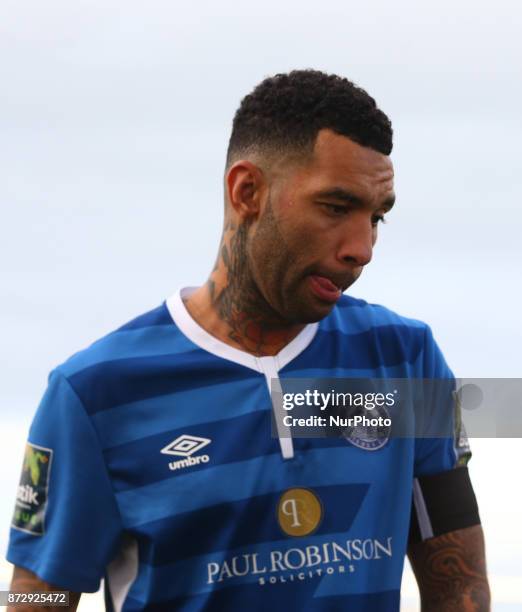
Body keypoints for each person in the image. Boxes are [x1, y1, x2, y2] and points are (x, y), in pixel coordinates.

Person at [6, 70, 490, 611]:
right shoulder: (94, 394)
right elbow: (38, 601)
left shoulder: (405, 360)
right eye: (335, 207)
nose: (363, 248)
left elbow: (459, 588)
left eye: (376, 218)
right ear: (247, 192)